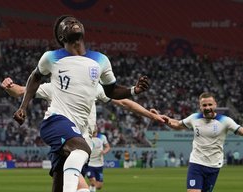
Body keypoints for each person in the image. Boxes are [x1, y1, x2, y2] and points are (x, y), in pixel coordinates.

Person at [12, 15, 150, 192]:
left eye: (75, 21)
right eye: (66, 24)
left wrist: (134, 90)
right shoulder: (51, 57)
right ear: (61, 37)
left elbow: (111, 91)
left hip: (78, 129)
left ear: (83, 29)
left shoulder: (100, 60)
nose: (72, 23)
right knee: (82, 150)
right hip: (56, 121)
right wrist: (23, 107)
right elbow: (35, 78)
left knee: (61, 182)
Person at [1, 76, 163, 192]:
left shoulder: (95, 88)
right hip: (68, 138)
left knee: (61, 184)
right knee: (82, 184)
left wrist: (152, 115)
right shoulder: (55, 86)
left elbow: (124, 102)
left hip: (79, 142)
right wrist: (9, 86)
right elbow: (21, 91)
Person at [152, 92, 243, 192]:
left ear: (215, 105)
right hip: (196, 163)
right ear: (200, 106)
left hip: (214, 165)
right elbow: (177, 124)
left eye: (210, 104)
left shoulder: (225, 121)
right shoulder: (194, 118)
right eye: (204, 105)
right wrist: (164, 120)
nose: (207, 107)